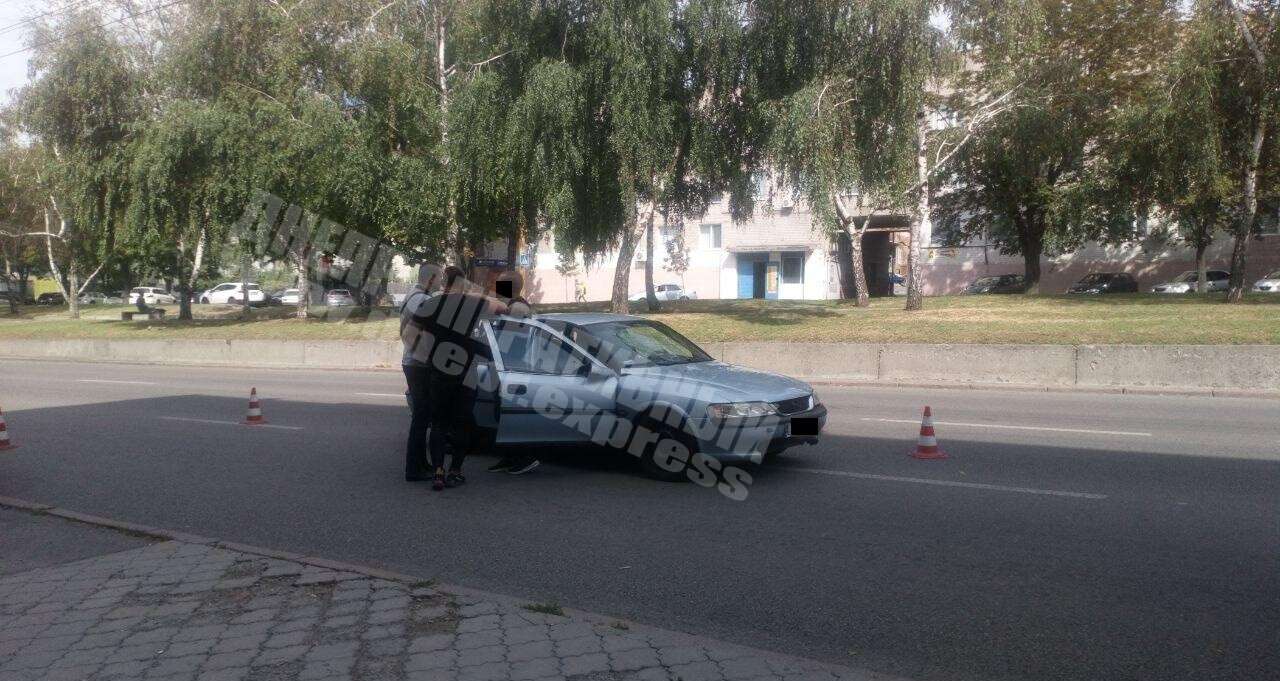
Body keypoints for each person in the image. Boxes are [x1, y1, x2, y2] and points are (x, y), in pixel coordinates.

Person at [409, 266, 508, 491]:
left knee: (439, 423)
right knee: (462, 423)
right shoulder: (473, 304)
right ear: (464, 283)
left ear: (444, 282)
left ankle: (437, 472)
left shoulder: (430, 304)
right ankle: (456, 471)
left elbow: (413, 334)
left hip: (439, 371)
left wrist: (432, 354)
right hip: (467, 372)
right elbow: (503, 307)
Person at [486, 270, 540, 475]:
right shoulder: (510, 306)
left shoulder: (517, 308)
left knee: (511, 415)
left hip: (514, 369)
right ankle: (509, 457)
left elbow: (509, 338)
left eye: (500, 285)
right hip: (506, 368)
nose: (497, 289)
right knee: (502, 414)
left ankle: (524, 457)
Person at [401, 265, 441, 482]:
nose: (441, 282)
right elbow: (437, 313)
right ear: (431, 278)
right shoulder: (418, 299)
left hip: (417, 362)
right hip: (417, 364)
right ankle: (413, 469)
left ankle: (420, 464)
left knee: (423, 417)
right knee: (420, 418)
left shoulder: (419, 295)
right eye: (440, 278)